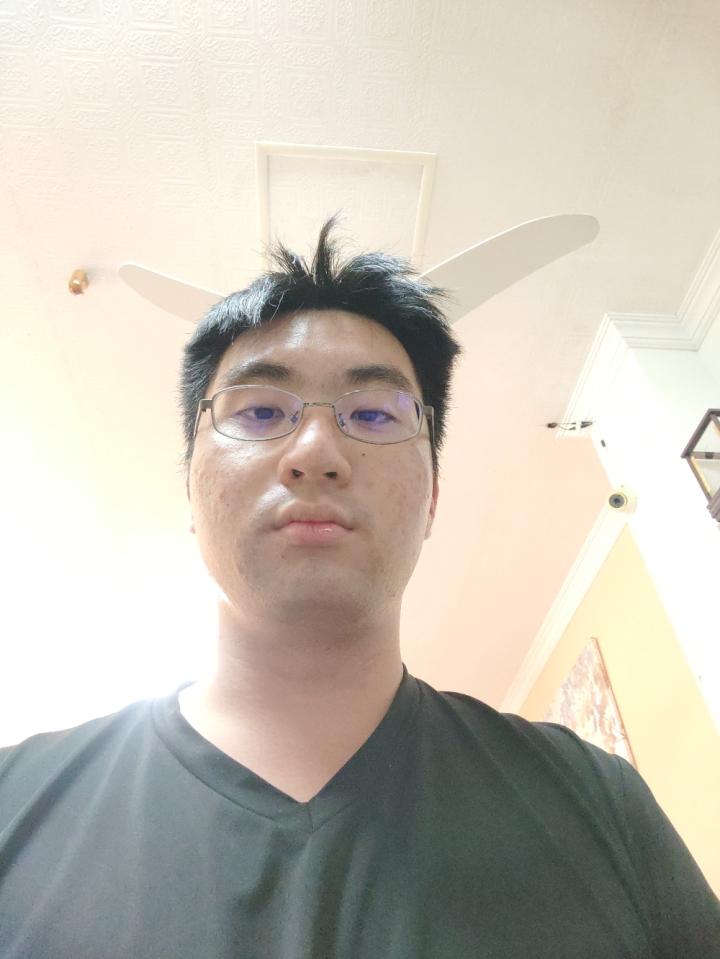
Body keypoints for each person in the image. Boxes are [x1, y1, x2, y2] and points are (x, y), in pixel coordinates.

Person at [1, 221, 718, 958]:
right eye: (260, 411)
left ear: (432, 498)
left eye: (374, 414)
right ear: (192, 487)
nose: (316, 451)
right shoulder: (14, 803)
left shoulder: (594, 800)